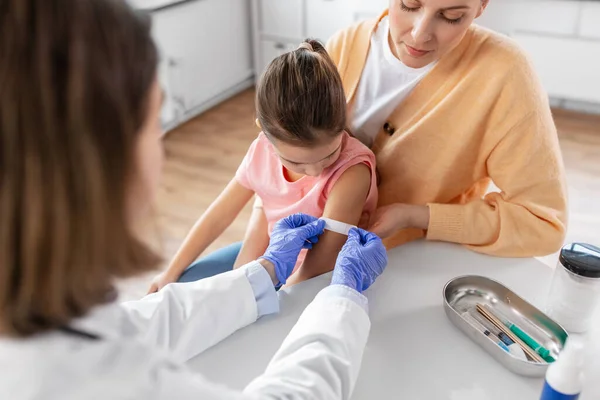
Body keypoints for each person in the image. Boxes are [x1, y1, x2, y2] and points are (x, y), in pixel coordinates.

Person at [0, 1, 389, 399]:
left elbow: (146, 325)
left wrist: (265, 272)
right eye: (155, 124)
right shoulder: (81, 374)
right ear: (101, 161)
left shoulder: (46, 326)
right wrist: (343, 302)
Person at [324, 0, 568, 256]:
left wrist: (418, 217)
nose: (420, 34)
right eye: (409, 4)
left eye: (452, 16)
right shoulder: (345, 44)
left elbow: (542, 223)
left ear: (482, 5)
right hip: (314, 257)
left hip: (406, 262)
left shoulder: (504, 74)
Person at [148, 40, 378, 292]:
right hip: (271, 262)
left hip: (319, 281)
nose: (315, 171)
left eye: (329, 155)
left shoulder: (353, 172)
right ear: (265, 135)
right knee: (178, 289)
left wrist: (253, 300)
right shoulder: (261, 151)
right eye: (295, 162)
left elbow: (318, 266)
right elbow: (219, 214)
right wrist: (169, 273)